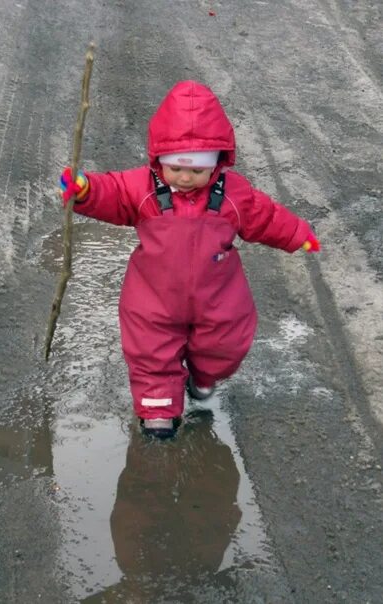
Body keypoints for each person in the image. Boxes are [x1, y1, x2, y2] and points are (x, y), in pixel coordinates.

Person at [60, 80, 320, 439]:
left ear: (215, 165)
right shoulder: (142, 188)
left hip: (218, 297)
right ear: (159, 161)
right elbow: (111, 193)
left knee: (226, 344)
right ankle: (158, 413)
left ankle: (204, 376)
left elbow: (267, 217)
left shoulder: (232, 195)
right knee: (151, 353)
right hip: (153, 298)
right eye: (176, 169)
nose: (185, 178)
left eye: (196, 171)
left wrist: (299, 235)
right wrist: (85, 190)